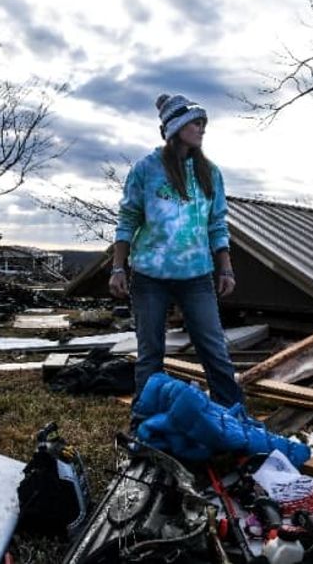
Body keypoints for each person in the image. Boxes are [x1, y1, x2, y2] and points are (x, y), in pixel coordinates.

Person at [110, 93, 244, 409]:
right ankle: (145, 423)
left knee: (214, 351)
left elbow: (217, 224)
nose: (202, 129)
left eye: (203, 123)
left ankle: (232, 418)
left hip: (197, 275)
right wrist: (118, 267)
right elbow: (128, 218)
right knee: (151, 354)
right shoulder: (146, 170)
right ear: (176, 128)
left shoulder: (210, 173)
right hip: (150, 277)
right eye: (195, 123)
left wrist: (225, 268)